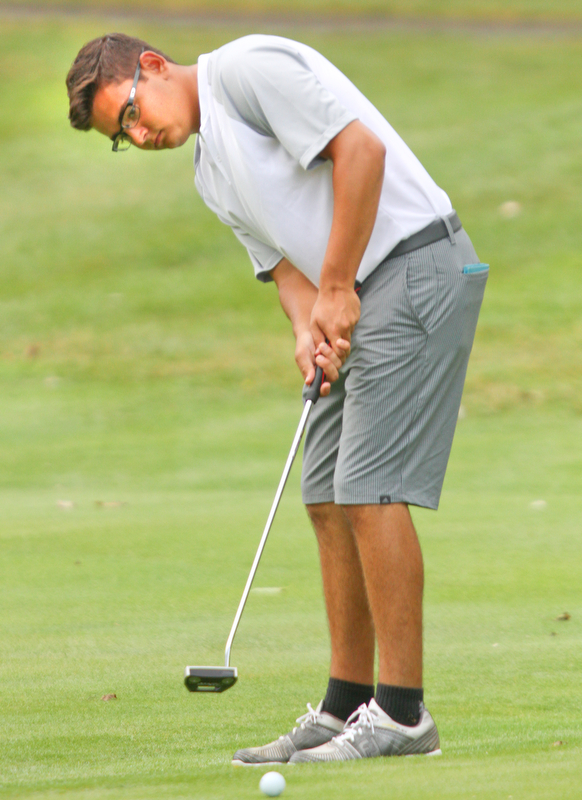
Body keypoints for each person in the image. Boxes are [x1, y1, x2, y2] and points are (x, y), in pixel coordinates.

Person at [67, 32, 488, 763]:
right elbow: (283, 267)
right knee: (325, 495)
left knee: (369, 491)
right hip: (351, 288)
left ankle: (403, 717)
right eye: (122, 138)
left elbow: (361, 153)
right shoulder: (208, 172)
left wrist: (335, 289)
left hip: (412, 263)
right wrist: (307, 327)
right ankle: (345, 703)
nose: (140, 135)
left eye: (132, 113)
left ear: (155, 67)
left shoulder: (249, 70)